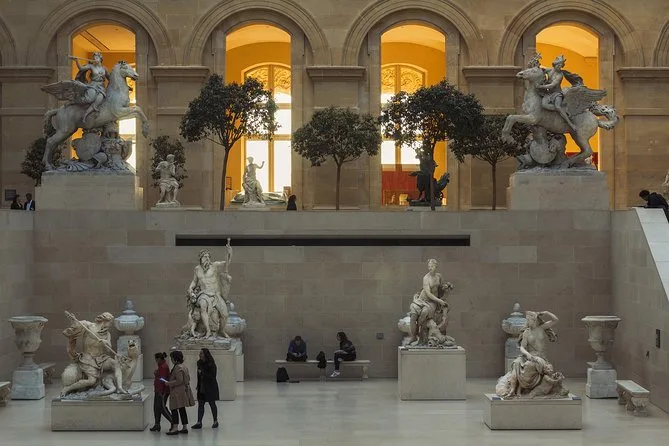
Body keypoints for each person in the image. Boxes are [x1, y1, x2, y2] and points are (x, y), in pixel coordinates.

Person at [538, 55, 577, 131]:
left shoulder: (560, 75)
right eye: (558, 65)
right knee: (543, 104)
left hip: (557, 93)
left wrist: (540, 86)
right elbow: (541, 70)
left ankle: (570, 124)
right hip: (549, 93)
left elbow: (552, 85)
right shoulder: (550, 70)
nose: (559, 67)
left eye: (561, 65)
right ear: (555, 64)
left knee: (558, 106)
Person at [70, 52, 110, 124]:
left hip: (101, 87)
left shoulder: (104, 68)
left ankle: (87, 114)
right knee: (89, 99)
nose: (95, 59)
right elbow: (81, 69)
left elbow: (109, 78)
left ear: (100, 58)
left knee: (100, 100)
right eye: (94, 58)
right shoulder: (91, 66)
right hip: (93, 85)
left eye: (97, 57)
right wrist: (76, 61)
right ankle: (75, 101)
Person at [166, 350, 195, 436]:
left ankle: (175, 427)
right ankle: (184, 427)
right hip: (182, 391)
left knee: (174, 408)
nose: (171, 360)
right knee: (182, 409)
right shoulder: (183, 366)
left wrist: (169, 383)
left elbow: (179, 380)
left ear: (175, 359)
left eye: (172, 358)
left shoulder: (178, 367)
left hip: (177, 392)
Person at [192, 348, 219, 429]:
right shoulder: (199, 363)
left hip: (210, 387)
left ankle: (215, 421)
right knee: (201, 404)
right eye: (199, 353)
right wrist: (198, 385)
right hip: (202, 386)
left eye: (201, 353)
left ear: (205, 355)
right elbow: (199, 376)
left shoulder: (211, 364)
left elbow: (213, 376)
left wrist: (203, 373)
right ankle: (199, 422)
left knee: (212, 403)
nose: (200, 355)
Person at [150, 352, 173, 432]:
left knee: (162, 408)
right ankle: (157, 424)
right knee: (156, 408)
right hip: (158, 390)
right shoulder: (161, 366)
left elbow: (163, 379)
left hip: (162, 391)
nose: (156, 361)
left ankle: (173, 421)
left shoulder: (163, 367)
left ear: (159, 359)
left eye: (156, 359)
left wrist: (161, 391)